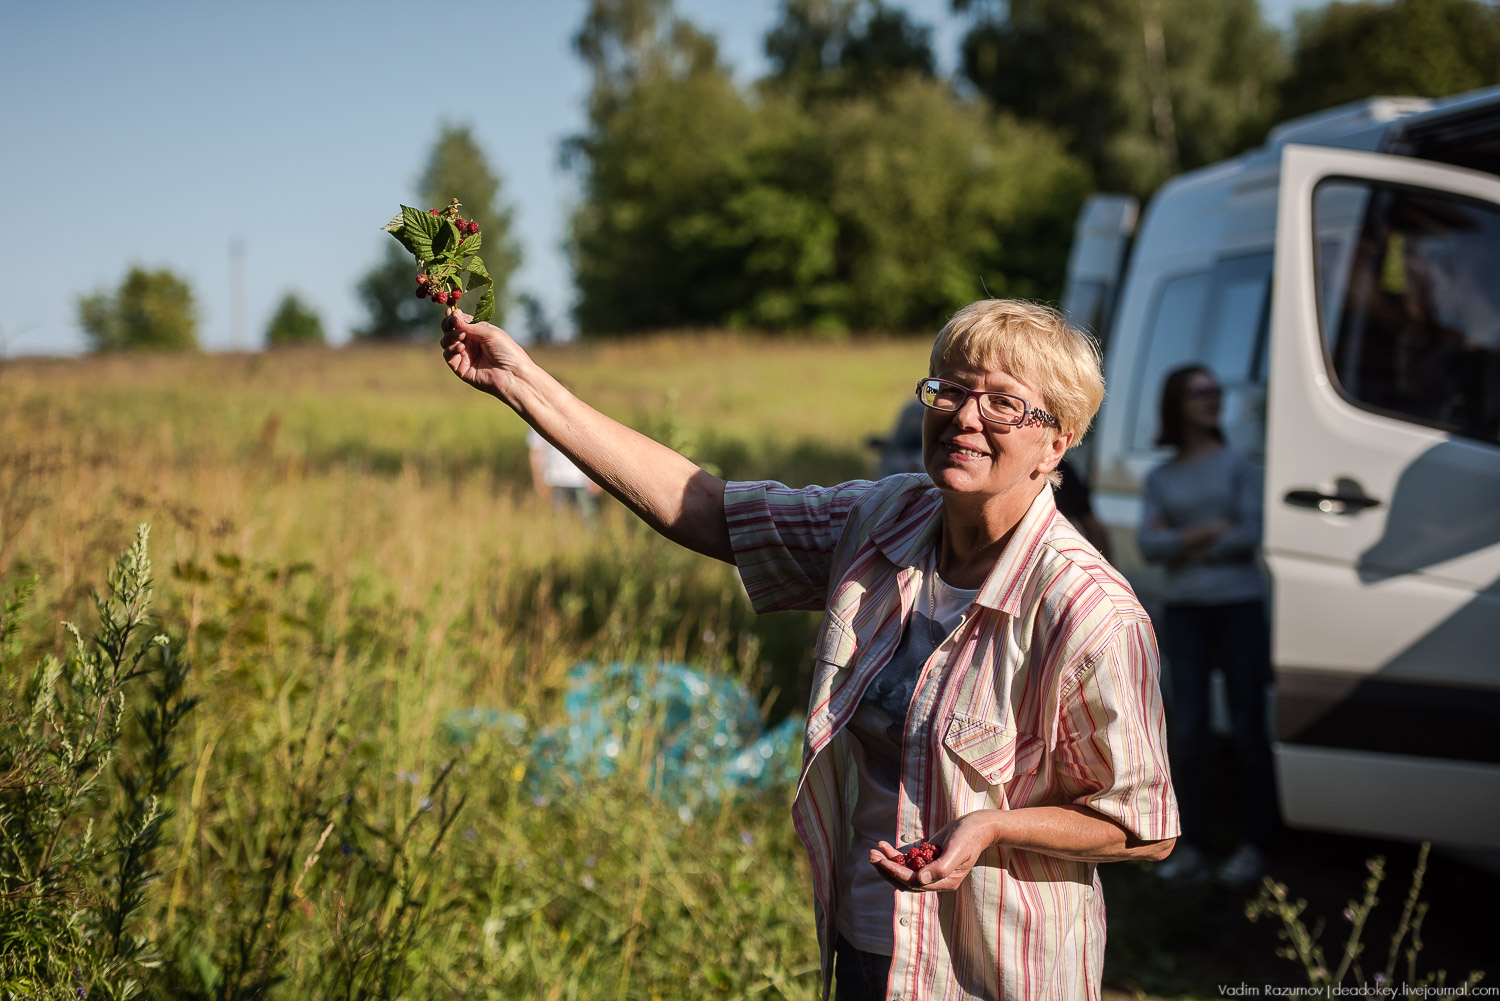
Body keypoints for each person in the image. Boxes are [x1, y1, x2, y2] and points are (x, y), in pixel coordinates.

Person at [440, 299, 1178, 1001]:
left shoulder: (1087, 612)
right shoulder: (881, 519)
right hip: (865, 940)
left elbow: (1141, 824)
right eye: (948, 390)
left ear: (1058, 441)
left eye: (1002, 402)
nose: (964, 416)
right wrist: (518, 379)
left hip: (987, 968)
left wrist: (993, 826)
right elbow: (709, 509)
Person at [1138, 364, 1276, 888]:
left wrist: (1184, 540)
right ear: (1178, 404)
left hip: (1239, 606)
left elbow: (1249, 535)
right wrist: (1214, 530)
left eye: (1216, 391)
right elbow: (1152, 548)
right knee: (1189, 732)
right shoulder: (1161, 476)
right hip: (1187, 611)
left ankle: (1255, 845)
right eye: (1200, 393)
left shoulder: (1239, 464)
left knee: (1248, 729)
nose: (1212, 399)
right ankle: (1192, 844)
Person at [527, 426, 602, 518]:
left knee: (589, 520)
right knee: (561, 522)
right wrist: (538, 479)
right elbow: (537, 450)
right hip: (555, 480)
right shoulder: (540, 415)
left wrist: (596, 478)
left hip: (581, 481)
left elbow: (594, 448)